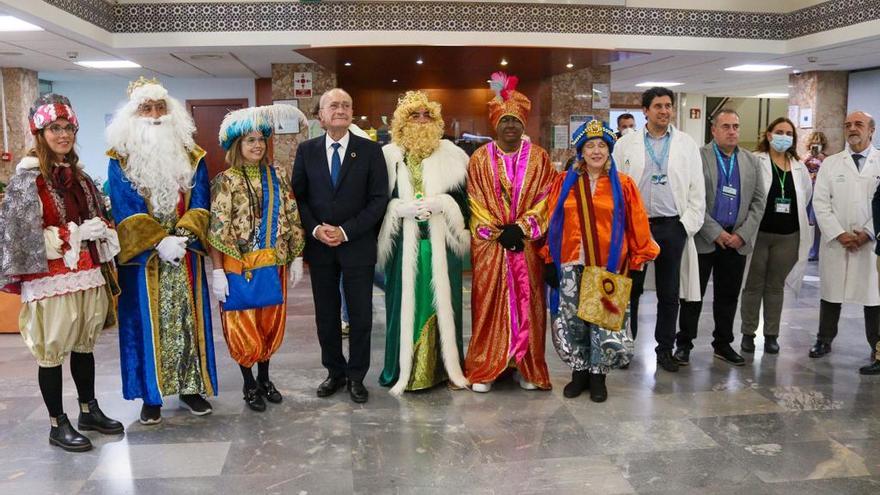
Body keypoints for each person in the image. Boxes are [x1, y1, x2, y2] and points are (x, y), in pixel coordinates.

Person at [0, 94, 123, 452]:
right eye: (55, 128)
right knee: (51, 351)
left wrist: (101, 229)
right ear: (40, 131)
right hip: (49, 279)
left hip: (86, 274)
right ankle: (58, 423)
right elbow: (21, 236)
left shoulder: (79, 177)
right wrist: (72, 235)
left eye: (69, 128)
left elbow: (97, 215)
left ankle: (89, 410)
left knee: (85, 345)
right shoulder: (27, 179)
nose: (64, 134)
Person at [106, 77, 217, 424]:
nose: (155, 115)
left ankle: (190, 389)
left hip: (185, 254)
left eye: (160, 108)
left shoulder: (193, 155)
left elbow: (201, 200)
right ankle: (150, 397)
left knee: (187, 322)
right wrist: (158, 240)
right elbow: (124, 207)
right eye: (146, 109)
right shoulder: (120, 159)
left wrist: (183, 236)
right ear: (133, 115)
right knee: (143, 327)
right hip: (144, 261)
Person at [543, 120, 658, 402]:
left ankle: (598, 375)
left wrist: (638, 260)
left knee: (604, 321)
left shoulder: (624, 185)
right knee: (572, 320)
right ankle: (579, 372)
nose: (596, 151)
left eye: (602, 146)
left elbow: (637, 224)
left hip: (608, 264)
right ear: (581, 151)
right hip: (570, 262)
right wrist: (548, 258)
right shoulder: (563, 183)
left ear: (609, 150)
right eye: (590, 146)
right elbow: (549, 220)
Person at [292, 88, 389, 404]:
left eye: (346, 105)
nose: (341, 109)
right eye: (334, 105)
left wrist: (346, 231)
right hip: (320, 247)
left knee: (361, 316)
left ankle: (357, 376)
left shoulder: (371, 151)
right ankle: (334, 372)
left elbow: (378, 200)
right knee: (327, 315)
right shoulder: (307, 151)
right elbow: (300, 198)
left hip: (357, 245)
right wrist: (317, 228)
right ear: (321, 116)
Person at [209, 104, 307, 411]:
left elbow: (291, 214)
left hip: (272, 264)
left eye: (261, 139)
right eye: (250, 140)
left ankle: (265, 378)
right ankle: (248, 383)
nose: (257, 145)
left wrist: (295, 256)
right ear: (237, 145)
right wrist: (217, 271)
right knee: (243, 326)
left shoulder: (277, 174)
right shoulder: (226, 180)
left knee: (269, 324)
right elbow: (216, 226)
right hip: (238, 266)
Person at [464, 72, 556, 392]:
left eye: (516, 121)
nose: (511, 126)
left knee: (528, 304)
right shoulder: (478, 159)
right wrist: (498, 232)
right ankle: (486, 367)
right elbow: (474, 201)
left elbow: (547, 198)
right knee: (489, 304)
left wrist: (522, 228)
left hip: (526, 244)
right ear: (495, 124)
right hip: (491, 246)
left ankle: (526, 367)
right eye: (505, 121)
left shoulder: (540, 158)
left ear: (524, 124)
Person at [377, 91, 470, 395]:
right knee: (402, 305)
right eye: (413, 115)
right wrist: (396, 210)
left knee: (445, 304)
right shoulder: (387, 156)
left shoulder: (453, 155)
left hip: (442, 245)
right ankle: (403, 369)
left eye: (426, 115)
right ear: (401, 122)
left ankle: (444, 368)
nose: (421, 121)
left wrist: (443, 203)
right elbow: (375, 202)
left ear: (437, 121)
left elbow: (466, 202)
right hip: (402, 245)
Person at [612, 86, 705, 373]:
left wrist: (684, 226)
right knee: (630, 291)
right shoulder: (625, 144)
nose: (664, 111)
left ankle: (664, 349)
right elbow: (614, 186)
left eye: (668, 106)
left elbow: (697, 190)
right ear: (645, 111)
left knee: (669, 293)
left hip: (671, 226)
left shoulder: (686, 144)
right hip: (636, 228)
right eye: (658, 106)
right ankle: (625, 347)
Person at [674, 109, 765, 366]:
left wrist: (741, 235)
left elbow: (759, 201)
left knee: (728, 297)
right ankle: (684, 344)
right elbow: (691, 200)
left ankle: (723, 344)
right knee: (693, 296)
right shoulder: (698, 157)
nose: (732, 131)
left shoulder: (751, 161)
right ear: (713, 130)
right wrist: (716, 233)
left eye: (736, 126)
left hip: (737, 242)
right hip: (705, 239)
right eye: (725, 126)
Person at [810, 111, 880, 373]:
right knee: (831, 293)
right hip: (837, 241)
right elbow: (820, 202)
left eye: (858, 124)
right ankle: (824, 340)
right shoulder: (831, 164)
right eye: (848, 125)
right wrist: (839, 233)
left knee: (874, 298)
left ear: (871, 130)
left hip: (871, 243)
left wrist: (868, 233)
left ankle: (877, 348)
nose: (852, 129)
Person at [740, 117, 813, 355]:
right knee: (753, 285)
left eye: (789, 133)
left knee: (775, 287)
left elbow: (806, 197)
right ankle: (748, 334)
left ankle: (771, 335)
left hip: (788, 236)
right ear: (769, 135)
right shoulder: (755, 160)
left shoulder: (799, 166)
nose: (784, 137)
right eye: (779, 132)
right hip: (759, 234)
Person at [805, 131, 828, 261]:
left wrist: (822, 159)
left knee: (815, 222)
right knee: (805, 220)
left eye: (818, 144)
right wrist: (806, 159)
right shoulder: (805, 157)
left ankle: (814, 251)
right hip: (806, 190)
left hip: (818, 191)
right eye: (814, 143)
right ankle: (805, 249)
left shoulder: (825, 158)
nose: (816, 146)